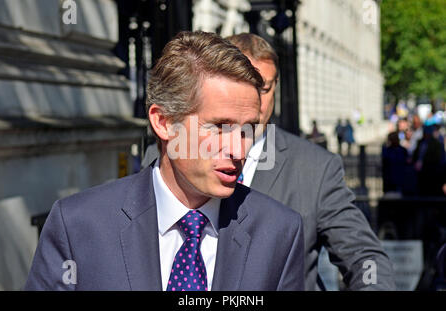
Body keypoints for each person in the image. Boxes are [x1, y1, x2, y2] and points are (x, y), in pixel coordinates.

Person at [24, 31, 304, 291]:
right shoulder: (78, 225)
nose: (239, 149)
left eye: (248, 129)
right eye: (220, 126)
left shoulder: (279, 233)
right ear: (164, 122)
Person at [143, 33, 395, 290]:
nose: (253, 100)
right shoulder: (165, 157)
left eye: (262, 87)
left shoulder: (314, 168)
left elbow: (365, 258)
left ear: (275, 86)